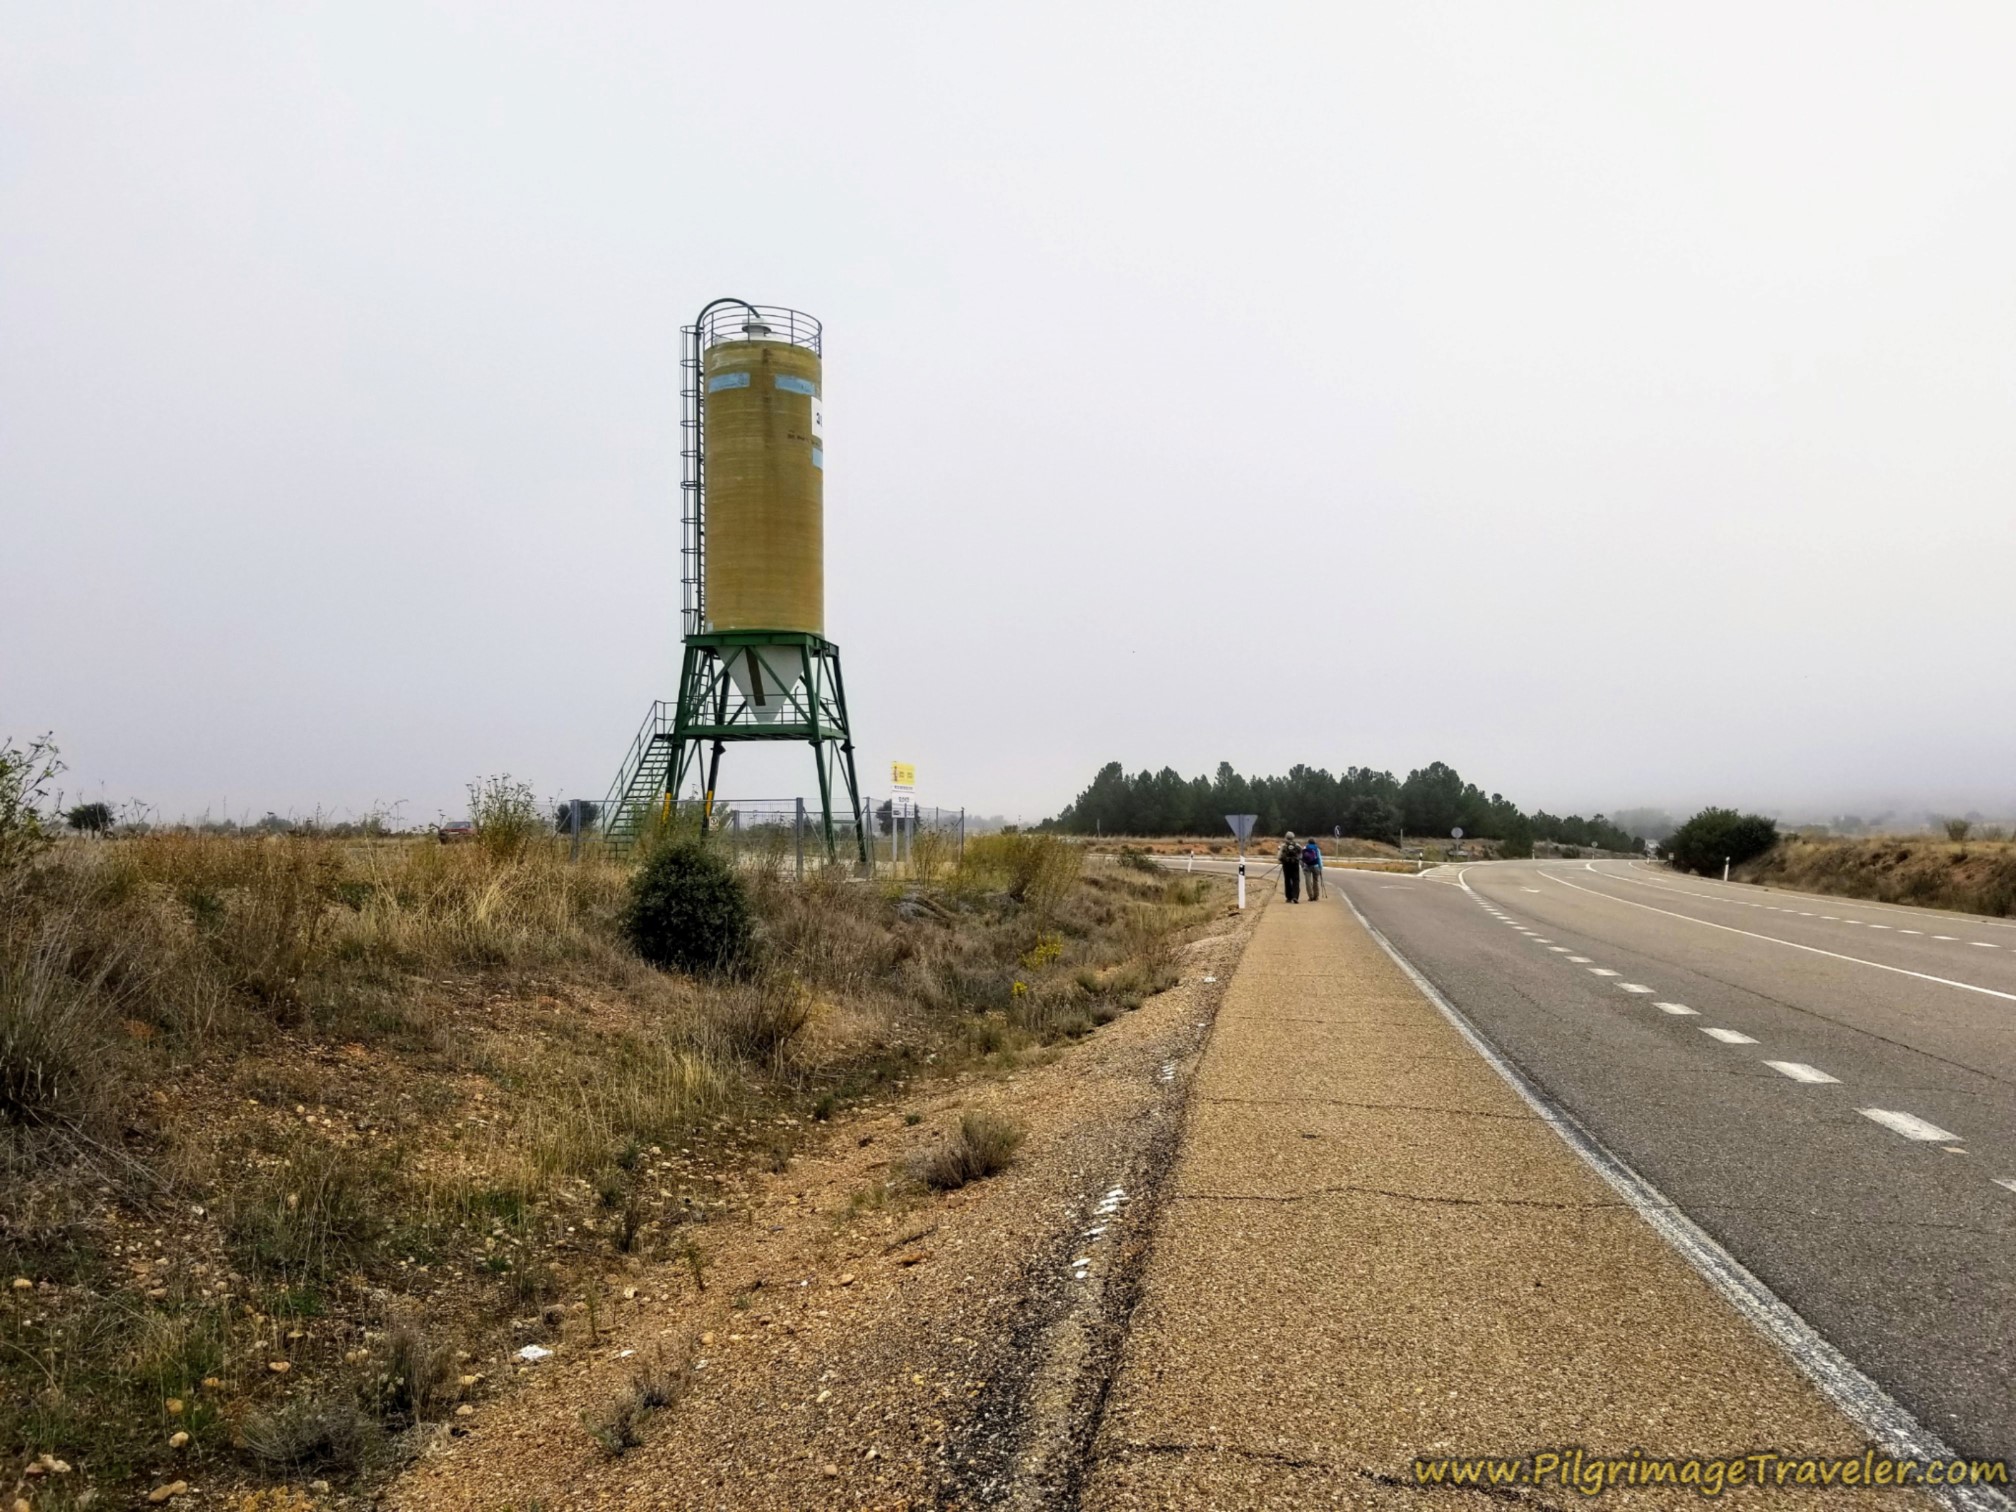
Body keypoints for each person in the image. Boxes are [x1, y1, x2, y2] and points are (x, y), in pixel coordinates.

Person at [1278, 831, 1302, 903]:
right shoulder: (1297, 845)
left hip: (1286, 865)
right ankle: (1295, 896)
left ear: (1286, 837)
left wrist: (1281, 860)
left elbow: (1279, 856)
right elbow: (1301, 855)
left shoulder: (1283, 846)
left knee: (1287, 880)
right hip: (1295, 865)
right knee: (1296, 880)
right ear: (1293, 837)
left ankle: (1289, 897)